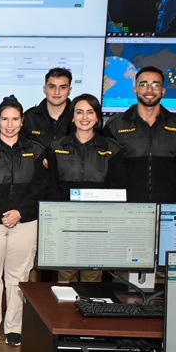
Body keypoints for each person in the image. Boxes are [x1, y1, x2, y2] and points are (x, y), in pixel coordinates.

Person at [0, 97, 49, 347]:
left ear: (22, 121)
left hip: (24, 223)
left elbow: (39, 187)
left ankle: (14, 326)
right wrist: (4, 213)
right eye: (5, 119)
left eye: (15, 119)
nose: (9, 124)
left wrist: (20, 213)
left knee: (18, 277)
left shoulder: (36, 150)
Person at [45, 94, 126, 282]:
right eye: (79, 112)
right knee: (65, 278)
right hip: (66, 223)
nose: (84, 117)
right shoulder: (56, 148)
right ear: (72, 117)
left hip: (97, 225)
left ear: (97, 117)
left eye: (90, 112)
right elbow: (51, 186)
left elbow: (117, 189)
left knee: (92, 278)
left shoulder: (112, 149)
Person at [104, 66, 176, 203]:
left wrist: (168, 180)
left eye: (156, 85)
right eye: (143, 85)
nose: (149, 90)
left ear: (163, 91)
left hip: (167, 203)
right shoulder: (115, 125)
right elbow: (105, 166)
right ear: (135, 90)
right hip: (126, 205)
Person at [22, 67, 73, 149]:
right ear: (44, 89)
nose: (57, 92)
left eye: (62, 87)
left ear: (69, 90)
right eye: (52, 87)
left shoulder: (79, 118)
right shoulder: (29, 117)